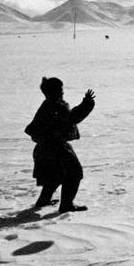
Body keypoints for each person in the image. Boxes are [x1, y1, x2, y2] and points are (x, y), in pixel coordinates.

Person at [24, 77, 96, 213]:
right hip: (56, 149)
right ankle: (66, 205)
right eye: (59, 90)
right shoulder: (55, 107)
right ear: (52, 92)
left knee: (55, 175)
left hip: (47, 149)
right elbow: (72, 118)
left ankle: (44, 200)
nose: (62, 93)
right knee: (74, 174)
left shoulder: (49, 105)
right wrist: (86, 104)